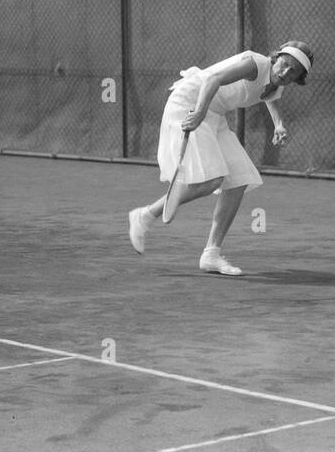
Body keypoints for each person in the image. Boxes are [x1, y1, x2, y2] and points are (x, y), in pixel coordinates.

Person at [127, 40, 313, 276]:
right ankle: (144, 215)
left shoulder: (277, 85)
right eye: (285, 64)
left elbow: (271, 98)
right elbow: (213, 79)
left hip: (214, 116)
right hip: (190, 103)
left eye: (293, 72)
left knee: (238, 179)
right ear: (276, 58)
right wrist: (200, 112)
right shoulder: (254, 64)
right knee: (212, 180)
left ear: (297, 78)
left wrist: (279, 125)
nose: (285, 72)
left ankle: (211, 255)